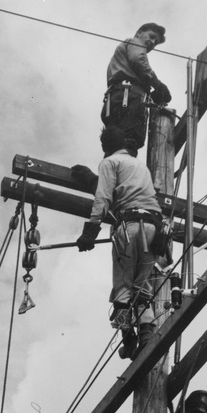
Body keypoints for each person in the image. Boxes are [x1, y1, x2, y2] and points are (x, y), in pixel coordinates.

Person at [75, 126, 164, 360]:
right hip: (154, 228)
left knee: (123, 286)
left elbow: (103, 198)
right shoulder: (139, 165)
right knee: (141, 285)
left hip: (129, 225)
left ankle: (129, 338)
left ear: (106, 147)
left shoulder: (109, 163)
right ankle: (146, 334)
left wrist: (90, 232)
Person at [101, 23, 172, 157]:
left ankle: (111, 173)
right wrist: (157, 84)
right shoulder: (135, 42)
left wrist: (151, 90)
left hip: (115, 100)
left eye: (155, 42)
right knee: (129, 143)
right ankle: (124, 173)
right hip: (128, 99)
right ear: (139, 32)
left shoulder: (121, 57)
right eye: (151, 37)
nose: (152, 42)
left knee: (113, 147)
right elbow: (138, 60)